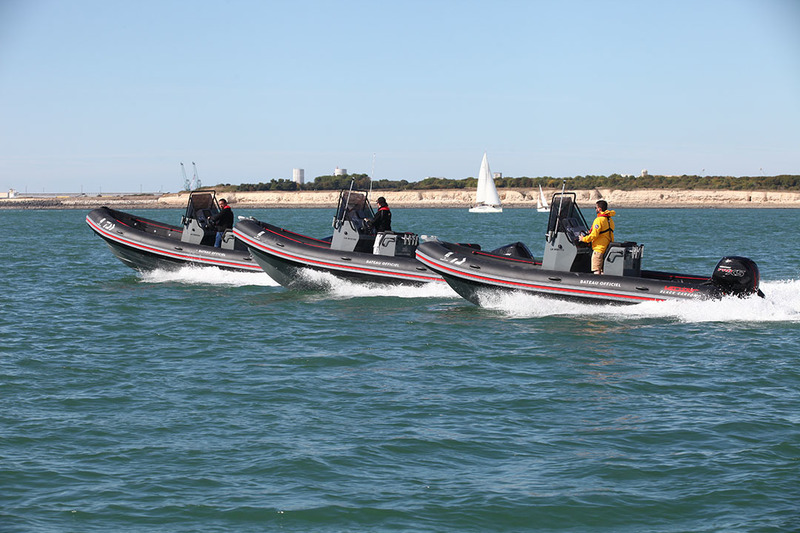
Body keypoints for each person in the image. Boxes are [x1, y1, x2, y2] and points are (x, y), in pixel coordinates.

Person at [579, 200, 615, 274]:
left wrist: (584, 239)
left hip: (599, 248)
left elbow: (594, 235)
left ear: (599, 209)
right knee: (602, 270)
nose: (595, 209)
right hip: (607, 246)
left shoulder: (599, 220)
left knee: (596, 269)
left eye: (596, 207)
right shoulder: (609, 219)